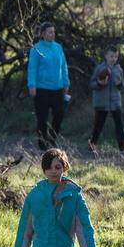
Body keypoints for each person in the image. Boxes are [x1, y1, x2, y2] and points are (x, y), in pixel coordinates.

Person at [28, 22, 70, 151]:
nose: (53, 34)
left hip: (57, 88)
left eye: (53, 32)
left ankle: (52, 139)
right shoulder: (36, 49)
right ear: (42, 34)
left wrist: (66, 82)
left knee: (60, 113)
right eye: (50, 32)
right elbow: (32, 68)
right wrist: (32, 85)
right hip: (41, 89)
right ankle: (42, 144)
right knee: (42, 118)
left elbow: (63, 66)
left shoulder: (58, 48)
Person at [87, 47, 124, 153]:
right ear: (106, 56)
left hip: (115, 102)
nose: (113, 59)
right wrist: (99, 83)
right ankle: (92, 144)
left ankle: (123, 147)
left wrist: (119, 84)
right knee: (98, 124)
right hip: (101, 102)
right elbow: (92, 84)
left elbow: (122, 86)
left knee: (119, 125)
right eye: (111, 56)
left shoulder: (119, 69)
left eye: (116, 56)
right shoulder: (99, 68)